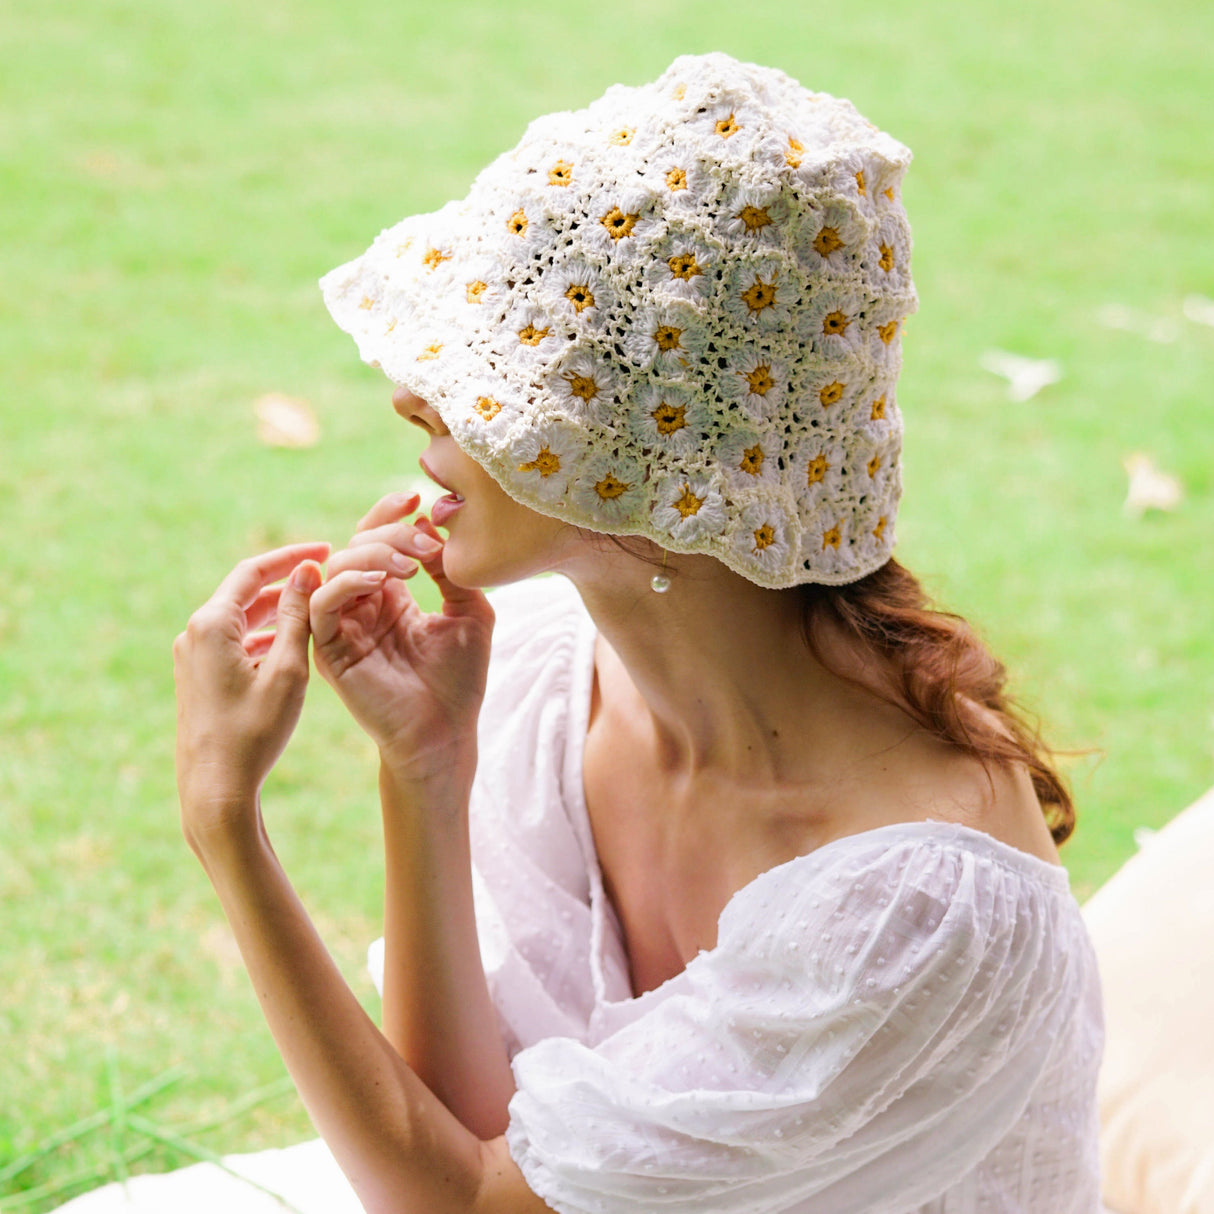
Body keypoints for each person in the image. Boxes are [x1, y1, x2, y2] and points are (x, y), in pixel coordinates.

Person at [172, 53, 1104, 1214]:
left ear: (665, 473)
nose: (411, 398)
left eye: (496, 381)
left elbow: (459, 1200)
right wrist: (425, 765)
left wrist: (226, 816)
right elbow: (477, 1133)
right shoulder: (550, 667)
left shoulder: (911, 913)